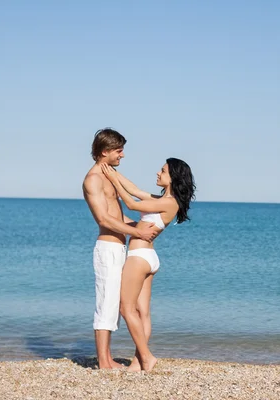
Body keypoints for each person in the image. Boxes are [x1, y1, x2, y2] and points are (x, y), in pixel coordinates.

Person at [100, 157, 195, 372]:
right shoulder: (162, 199)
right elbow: (135, 190)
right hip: (147, 257)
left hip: (139, 256)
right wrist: (115, 175)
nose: (158, 173)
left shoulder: (170, 202)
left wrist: (113, 181)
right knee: (142, 312)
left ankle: (147, 356)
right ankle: (137, 362)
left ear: (173, 177)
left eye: (163, 171)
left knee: (126, 308)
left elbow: (132, 203)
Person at [82, 128, 158, 370]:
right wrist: (138, 232)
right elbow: (104, 219)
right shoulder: (92, 179)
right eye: (118, 150)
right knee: (106, 304)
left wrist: (140, 226)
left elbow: (118, 215)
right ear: (105, 151)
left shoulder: (110, 174)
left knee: (115, 303)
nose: (122, 155)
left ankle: (108, 358)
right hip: (107, 249)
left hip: (120, 248)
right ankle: (104, 362)